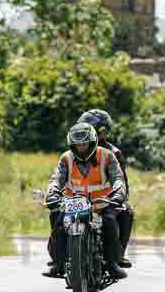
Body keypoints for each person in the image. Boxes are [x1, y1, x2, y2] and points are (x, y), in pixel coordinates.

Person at [43, 122, 128, 280]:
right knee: (58, 221)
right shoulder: (66, 158)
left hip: (101, 204)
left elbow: (118, 178)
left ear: (92, 142)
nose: (81, 147)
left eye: (84, 144)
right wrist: (52, 194)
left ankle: (112, 264)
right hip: (72, 204)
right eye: (77, 145)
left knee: (110, 222)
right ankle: (58, 262)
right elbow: (56, 179)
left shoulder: (107, 155)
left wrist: (117, 195)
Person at [76, 109, 134, 268]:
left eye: (91, 130)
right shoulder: (75, 151)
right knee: (57, 214)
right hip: (77, 200)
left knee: (126, 212)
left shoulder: (113, 153)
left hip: (105, 200)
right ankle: (58, 258)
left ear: (103, 132)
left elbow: (121, 181)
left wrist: (119, 197)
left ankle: (117, 255)